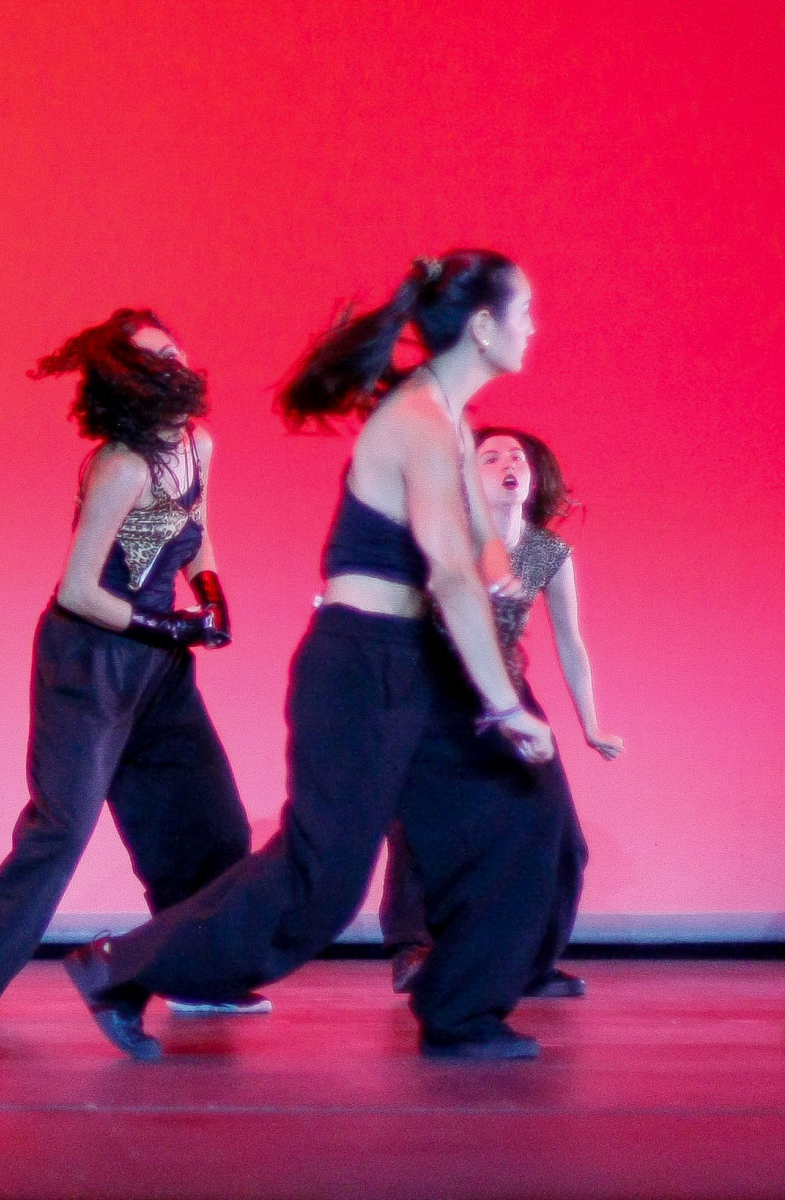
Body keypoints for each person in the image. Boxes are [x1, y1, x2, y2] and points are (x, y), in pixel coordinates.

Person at [64, 250, 566, 1062]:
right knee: (320, 883)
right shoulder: (419, 421)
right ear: (482, 327)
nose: (535, 328)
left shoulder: (448, 419)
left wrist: (504, 572)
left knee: (521, 812)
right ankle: (119, 967)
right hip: (363, 668)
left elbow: (477, 550)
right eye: (525, 313)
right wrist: (505, 704)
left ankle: (462, 1011)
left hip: (415, 663)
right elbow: (448, 572)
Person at [0, 309, 257, 1024]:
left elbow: (195, 529)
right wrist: (173, 624)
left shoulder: (198, 444)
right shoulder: (121, 465)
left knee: (210, 821)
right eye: (153, 359)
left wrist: (212, 599)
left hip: (159, 667)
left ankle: (193, 969)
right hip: (89, 660)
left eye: (173, 350)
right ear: (127, 381)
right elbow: (78, 588)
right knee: (63, 826)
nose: (172, 364)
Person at [382, 426, 621, 997]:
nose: (508, 464)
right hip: (434, 691)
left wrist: (590, 723)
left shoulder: (547, 552)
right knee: (419, 822)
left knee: (558, 834)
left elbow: (571, 643)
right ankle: (415, 949)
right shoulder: (441, 538)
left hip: (507, 692)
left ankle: (531, 961)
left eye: (517, 457)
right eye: (490, 457)